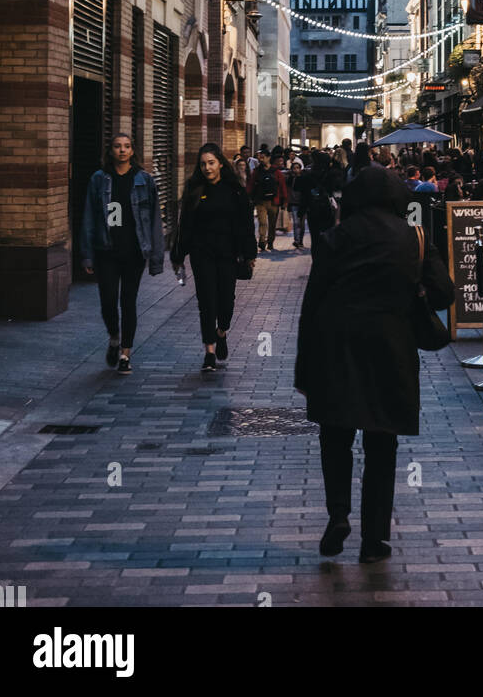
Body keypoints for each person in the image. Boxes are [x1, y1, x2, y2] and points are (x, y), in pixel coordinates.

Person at [295, 166, 454, 562]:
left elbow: (311, 304)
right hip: (391, 349)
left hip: (337, 347)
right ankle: (375, 539)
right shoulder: (413, 236)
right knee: (382, 442)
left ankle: (338, 514)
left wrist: (304, 367)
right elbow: (444, 294)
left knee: (336, 438)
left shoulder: (336, 237)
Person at [80, 133, 164, 374]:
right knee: (107, 302)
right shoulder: (99, 179)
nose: (122, 151)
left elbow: (154, 222)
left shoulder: (144, 180)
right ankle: (114, 338)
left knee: (128, 302)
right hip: (106, 251)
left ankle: (126, 354)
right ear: (111, 151)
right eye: (117, 147)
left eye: (127, 146)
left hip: (134, 252)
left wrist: (156, 258)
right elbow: (89, 217)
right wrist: (86, 254)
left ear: (133, 151)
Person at [171, 144, 257, 373]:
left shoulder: (234, 191)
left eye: (211, 162)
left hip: (228, 254)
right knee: (206, 302)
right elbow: (185, 226)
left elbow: (246, 225)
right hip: (202, 255)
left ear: (220, 163)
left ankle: (222, 332)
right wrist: (178, 254)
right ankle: (209, 351)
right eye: (203, 164)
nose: (207, 167)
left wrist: (249, 254)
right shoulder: (194, 189)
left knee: (226, 302)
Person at [250, 149, 288, 252]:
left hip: (273, 202)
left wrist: (285, 201)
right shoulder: (257, 171)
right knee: (262, 222)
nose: (261, 159)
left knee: (272, 224)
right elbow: (251, 185)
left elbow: (282, 186)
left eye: (263, 157)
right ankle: (262, 241)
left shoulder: (276, 172)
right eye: (259, 157)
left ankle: (270, 242)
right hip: (260, 201)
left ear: (268, 158)